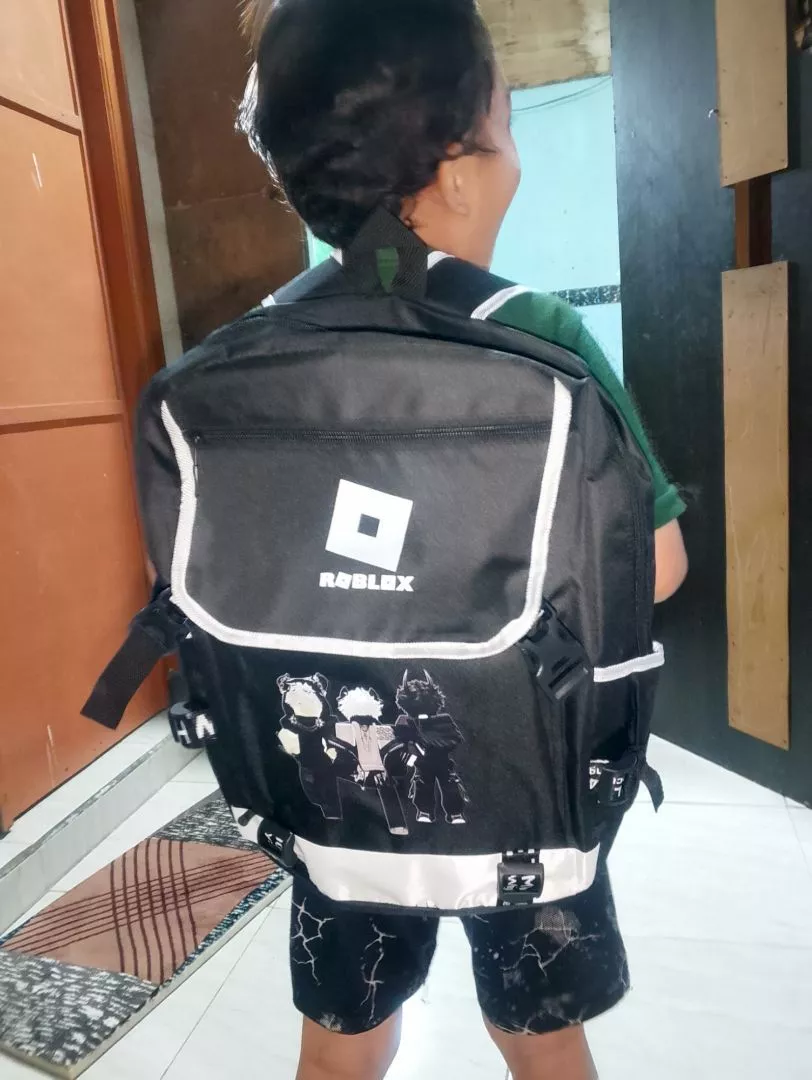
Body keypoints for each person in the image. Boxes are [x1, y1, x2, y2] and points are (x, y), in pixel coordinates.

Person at [239, 3, 688, 1078]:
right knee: (540, 1036)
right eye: (508, 120)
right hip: (518, 786)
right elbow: (658, 569)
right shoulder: (540, 337)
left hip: (334, 787)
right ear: (455, 171)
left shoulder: (251, 354)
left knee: (340, 1043)